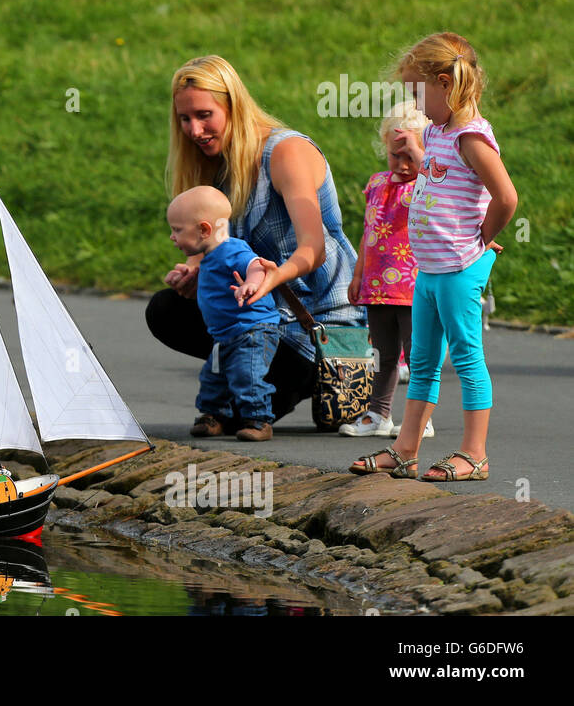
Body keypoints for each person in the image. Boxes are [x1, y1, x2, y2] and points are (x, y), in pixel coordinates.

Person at [148, 55, 364, 435]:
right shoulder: (214, 165)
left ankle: (327, 369)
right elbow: (220, 252)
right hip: (258, 316)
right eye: (185, 119)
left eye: (204, 115)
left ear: (233, 105)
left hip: (315, 318)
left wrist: (273, 276)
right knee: (166, 309)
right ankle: (248, 376)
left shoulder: (285, 152)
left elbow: (313, 248)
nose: (195, 130)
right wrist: (197, 273)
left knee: (236, 418)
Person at [352, 33, 516, 482]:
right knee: (422, 361)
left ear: (444, 83)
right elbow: (443, 184)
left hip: (458, 268)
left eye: (417, 93)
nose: (414, 103)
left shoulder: (470, 137)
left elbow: (505, 196)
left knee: (466, 357)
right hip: (429, 269)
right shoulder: (440, 132)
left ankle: (474, 452)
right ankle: (406, 448)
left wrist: (482, 237)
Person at [340, 101, 434, 439]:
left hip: (413, 287)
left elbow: (436, 178)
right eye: (397, 155)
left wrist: (420, 153)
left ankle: (420, 417)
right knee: (382, 353)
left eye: (412, 154)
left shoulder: (425, 184)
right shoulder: (377, 183)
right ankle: (379, 414)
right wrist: (356, 275)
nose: (404, 163)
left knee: (418, 353)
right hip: (377, 286)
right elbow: (369, 232)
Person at [167, 186, 282, 440]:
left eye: (177, 230)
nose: (172, 237)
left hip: (252, 329)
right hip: (226, 334)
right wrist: (181, 275)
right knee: (213, 378)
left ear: (204, 230)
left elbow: (256, 264)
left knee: (247, 375)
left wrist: (252, 282)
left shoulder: (231, 249)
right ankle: (214, 415)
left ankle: (258, 420)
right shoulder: (209, 256)